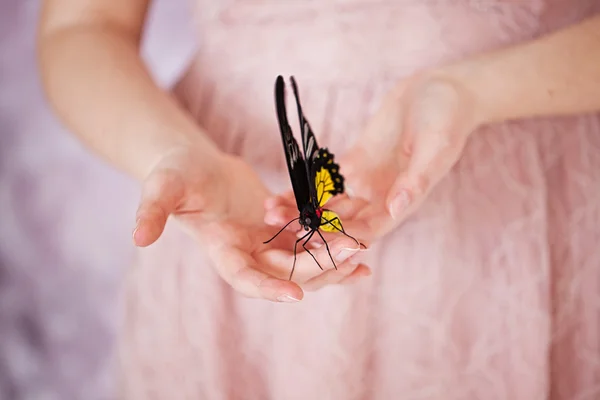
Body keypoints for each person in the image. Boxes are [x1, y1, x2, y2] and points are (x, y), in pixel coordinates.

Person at [38, 0, 600, 398]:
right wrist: (171, 152)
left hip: (534, 211)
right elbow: (84, 25)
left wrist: (477, 89)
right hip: (227, 211)